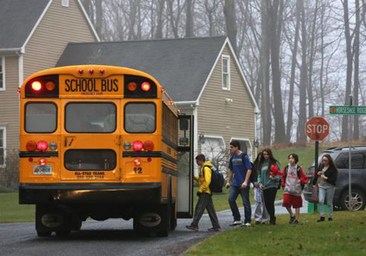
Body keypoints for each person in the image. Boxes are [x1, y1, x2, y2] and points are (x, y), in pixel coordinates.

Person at [186, 154, 221, 232]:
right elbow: (201, 180)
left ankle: (194, 225)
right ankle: (216, 226)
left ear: (201, 160)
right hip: (206, 192)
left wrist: (200, 190)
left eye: (197, 161)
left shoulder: (206, 168)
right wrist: (194, 177)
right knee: (210, 210)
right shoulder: (203, 168)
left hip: (205, 192)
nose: (197, 163)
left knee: (199, 208)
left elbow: (207, 181)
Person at [225, 140, 253, 227]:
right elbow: (231, 170)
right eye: (230, 147)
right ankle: (237, 219)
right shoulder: (232, 158)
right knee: (231, 199)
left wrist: (245, 181)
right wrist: (228, 182)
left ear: (237, 147)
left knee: (245, 202)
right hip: (235, 183)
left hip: (244, 184)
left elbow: (249, 169)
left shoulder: (244, 156)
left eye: (232, 147)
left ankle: (247, 221)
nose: (230, 149)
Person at [281, 153, 308, 224]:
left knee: (297, 205)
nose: (290, 159)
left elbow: (304, 177)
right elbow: (283, 176)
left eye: (292, 158)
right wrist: (283, 183)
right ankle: (292, 215)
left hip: (296, 189)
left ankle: (297, 219)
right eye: (289, 158)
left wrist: (301, 180)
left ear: (295, 159)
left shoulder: (298, 168)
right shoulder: (286, 168)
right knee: (286, 202)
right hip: (288, 188)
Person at [258, 148, 281, 225]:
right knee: (266, 203)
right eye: (264, 154)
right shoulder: (262, 164)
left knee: (271, 202)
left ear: (270, 154)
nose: (265, 156)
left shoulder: (275, 162)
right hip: (264, 186)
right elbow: (259, 175)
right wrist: (259, 183)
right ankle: (272, 216)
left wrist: (275, 178)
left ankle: (272, 219)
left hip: (273, 185)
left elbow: (280, 174)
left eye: (267, 154)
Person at [312, 154, 338, 222]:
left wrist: (326, 178)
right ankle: (322, 216)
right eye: (323, 160)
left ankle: (330, 216)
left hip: (330, 187)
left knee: (329, 202)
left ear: (329, 161)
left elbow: (334, 179)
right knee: (321, 201)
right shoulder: (321, 166)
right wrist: (314, 182)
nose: (324, 162)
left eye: (325, 160)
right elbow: (316, 175)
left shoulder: (333, 169)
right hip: (321, 186)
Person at [253, 152, 269, 225]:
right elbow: (252, 175)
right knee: (257, 202)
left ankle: (265, 219)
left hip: (265, 185)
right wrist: (254, 182)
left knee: (265, 203)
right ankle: (257, 218)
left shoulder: (265, 165)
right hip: (257, 186)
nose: (260, 159)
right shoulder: (254, 165)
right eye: (259, 158)